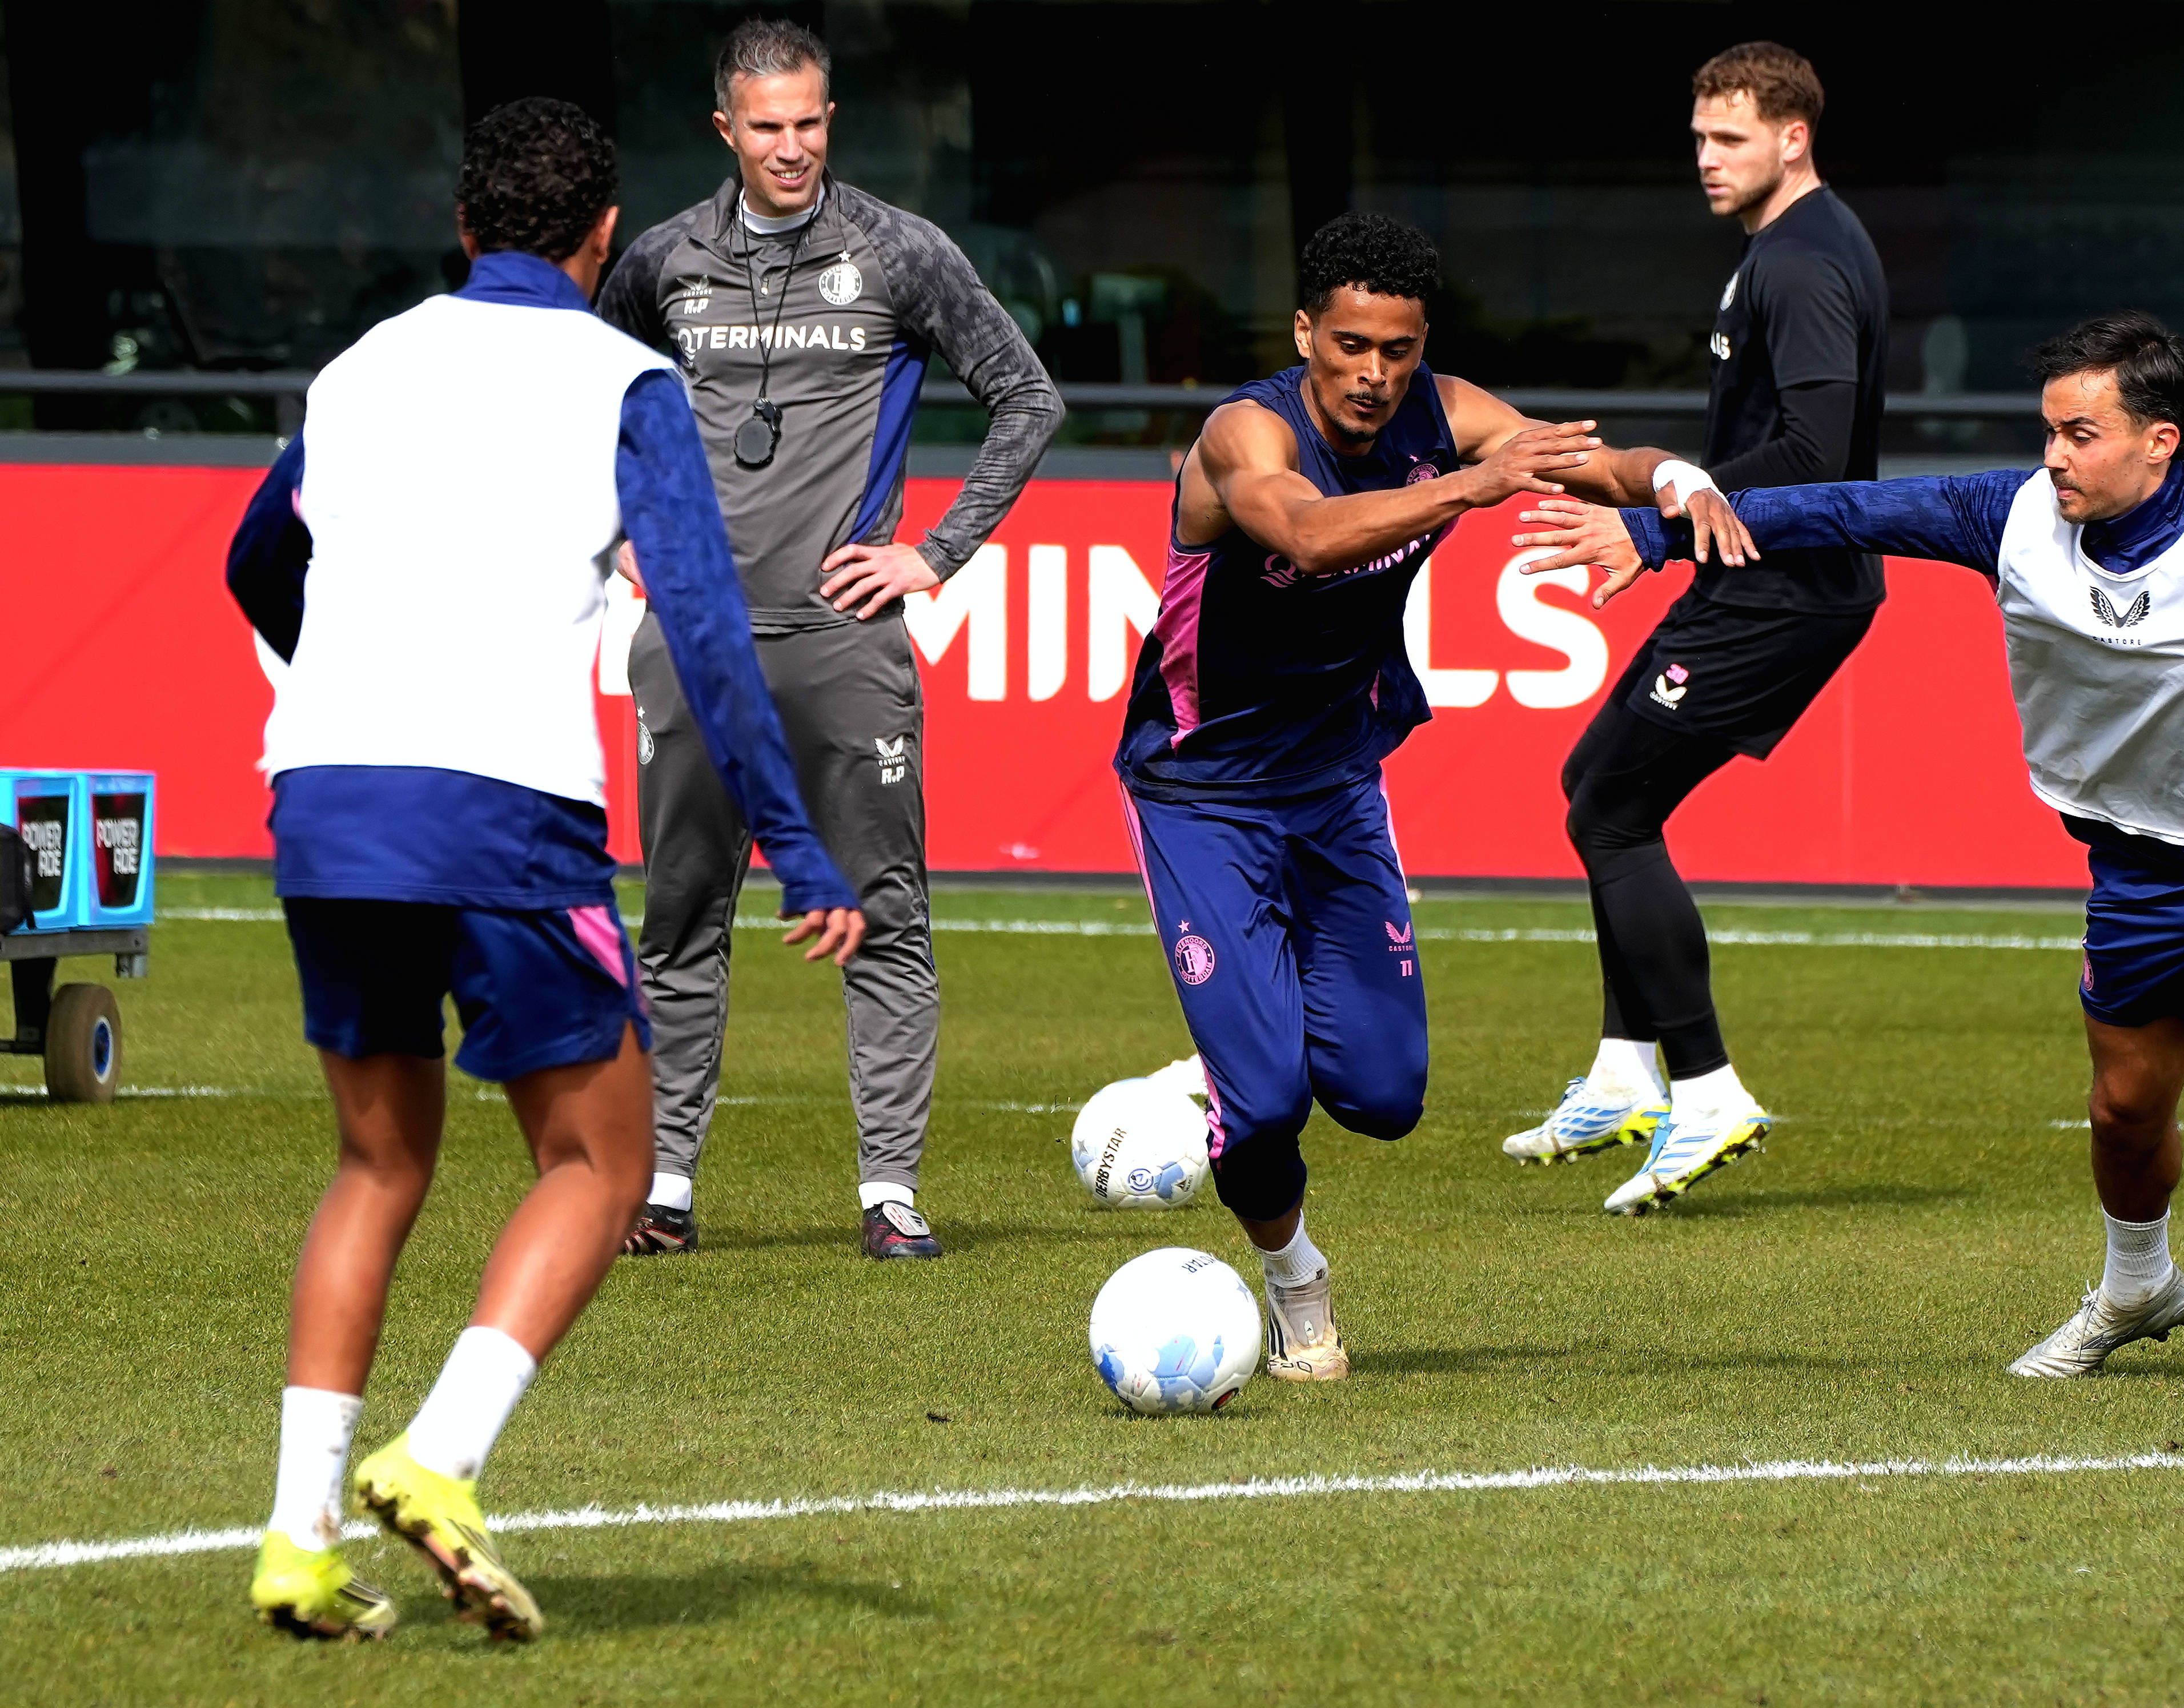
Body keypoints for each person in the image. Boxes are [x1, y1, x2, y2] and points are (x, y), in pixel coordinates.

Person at [1517, 310, 2184, 1398]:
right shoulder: (2010, 514)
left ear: (2159, 440)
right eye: (2048, 430)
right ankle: (2137, 1287)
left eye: (2081, 434)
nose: (2053, 456)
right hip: (2137, 868)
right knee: (2123, 1114)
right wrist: (1656, 536)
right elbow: (1837, 508)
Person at [226, 98, 861, 1642]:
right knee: (601, 1160)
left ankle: (297, 1538)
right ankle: (438, 1459)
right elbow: (704, 626)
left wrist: (351, 684)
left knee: (376, 1164)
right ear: (600, 242)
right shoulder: (621, 377)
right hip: (496, 805)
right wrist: (794, 840)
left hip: (325, 795)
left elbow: (255, 560)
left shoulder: (360, 365)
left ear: (463, 230)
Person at [1118, 212, 1725, 1381]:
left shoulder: (1447, 414)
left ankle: (1239, 1044)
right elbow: (1302, 530)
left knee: (1384, 1097)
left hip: (1338, 782)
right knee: (1262, 1117)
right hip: (1199, 792)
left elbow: (1593, 462)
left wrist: (1676, 480)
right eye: (1348, 344)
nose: (1372, 373)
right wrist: (1469, 487)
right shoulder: (1243, 432)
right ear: (1304, 332)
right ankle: (1296, 1281)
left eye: (1396, 350)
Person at [596, 18, 1063, 1261]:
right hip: (691, 644)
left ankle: (891, 1192)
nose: (792, 148)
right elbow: (581, 398)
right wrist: (614, 530)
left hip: (841, 642)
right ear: (724, 130)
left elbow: (1027, 395)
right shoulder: (660, 263)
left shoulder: (899, 252)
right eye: (767, 127)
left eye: (810, 123)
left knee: (885, 911)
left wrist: (935, 551)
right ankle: (666, 1191)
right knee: (681, 915)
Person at [1498, 42, 1890, 1219]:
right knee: (1595, 783)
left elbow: (1814, 457)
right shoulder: (1779, 251)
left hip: (1784, 586)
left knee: (1611, 807)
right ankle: (1626, 1070)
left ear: (1792, 138)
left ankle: (1707, 1087)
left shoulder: (1805, 260)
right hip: (1759, 574)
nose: (1706, 161)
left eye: (1729, 140)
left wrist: (1661, 519)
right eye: (1699, 139)